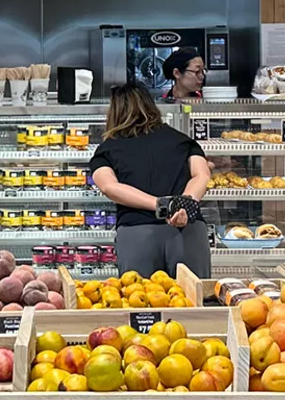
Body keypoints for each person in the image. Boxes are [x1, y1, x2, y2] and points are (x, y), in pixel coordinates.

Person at [87, 84, 212, 277]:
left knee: (142, 302)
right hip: (187, 230)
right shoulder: (183, 141)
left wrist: (160, 205)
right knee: (191, 303)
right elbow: (202, 174)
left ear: (114, 112)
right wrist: (182, 206)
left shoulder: (108, 149)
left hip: (138, 233)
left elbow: (108, 186)